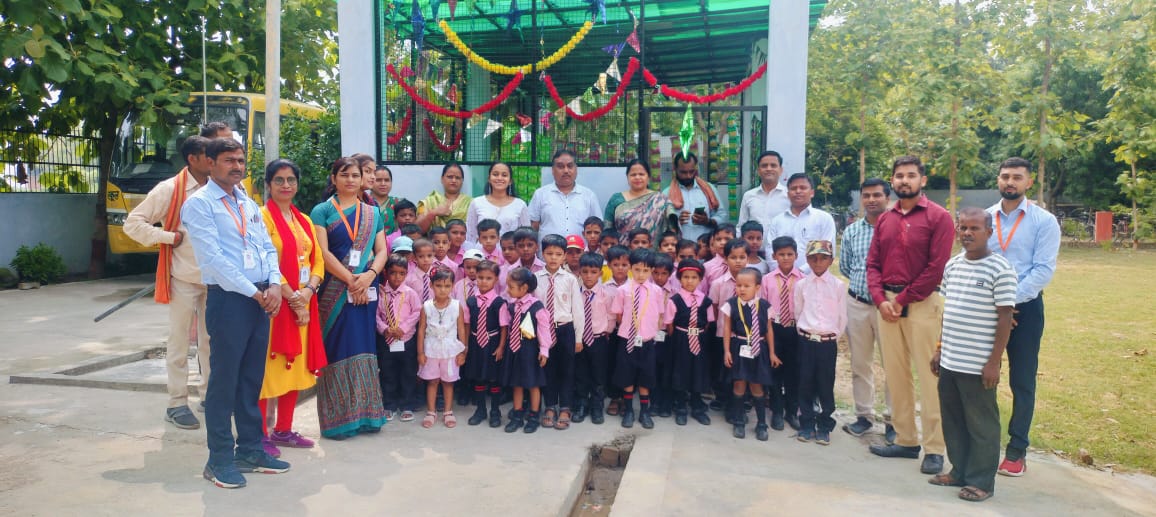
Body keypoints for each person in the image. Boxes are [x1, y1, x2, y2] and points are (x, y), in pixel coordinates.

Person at [182, 137, 289, 489]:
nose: (237, 166)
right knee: (224, 382)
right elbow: (214, 260)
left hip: (260, 297)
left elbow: (267, 247)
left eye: (241, 160)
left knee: (251, 378)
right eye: (229, 160)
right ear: (210, 163)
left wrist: (275, 285)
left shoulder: (247, 202)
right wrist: (255, 293)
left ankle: (251, 450)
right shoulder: (199, 205)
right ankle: (219, 460)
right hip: (230, 300)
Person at [866, 156, 955, 476]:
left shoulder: (939, 217)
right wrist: (880, 300)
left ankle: (934, 448)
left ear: (923, 180)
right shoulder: (885, 219)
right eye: (899, 175)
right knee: (896, 373)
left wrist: (902, 300)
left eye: (911, 175)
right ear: (892, 180)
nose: (905, 180)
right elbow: (872, 263)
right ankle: (905, 440)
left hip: (922, 304)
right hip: (887, 305)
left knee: (930, 377)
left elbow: (936, 268)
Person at [123, 135, 213, 430]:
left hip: (216, 280)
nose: (214, 160)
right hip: (182, 277)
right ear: (192, 159)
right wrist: (168, 237)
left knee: (212, 342)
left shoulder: (220, 186)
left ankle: (210, 398)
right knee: (178, 342)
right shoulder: (171, 188)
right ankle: (176, 403)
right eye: (208, 155)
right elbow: (133, 223)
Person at [929, 207, 1017, 502]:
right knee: (953, 421)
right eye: (963, 227)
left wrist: (994, 363)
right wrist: (939, 349)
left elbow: (1005, 318)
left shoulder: (1000, 269)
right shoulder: (953, 265)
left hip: (978, 365)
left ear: (989, 233)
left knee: (982, 425)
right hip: (951, 361)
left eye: (974, 228)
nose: (967, 233)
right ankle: (959, 471)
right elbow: (949, 311)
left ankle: (981, 482)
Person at [986, 157, 1061, 477]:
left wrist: (1009, 304)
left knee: (1022, 380)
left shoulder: (1044, 221)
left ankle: (1017, 451)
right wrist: (995, 304)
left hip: (1025, 310)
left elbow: (1043, 270)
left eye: (1017, 177)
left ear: (1029, 182)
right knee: (982, 376)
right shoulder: (986, 218)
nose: (1010, 182)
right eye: (1005, 176)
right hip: (987, 309)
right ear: (998, 180)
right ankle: (984, 443)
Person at [310, 157, 389, 440]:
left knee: (364, 347)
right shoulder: (322, 211)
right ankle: (338, 421)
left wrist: (368, 276)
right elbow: (322, 252)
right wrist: (351, 279)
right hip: (335, 291)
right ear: (334, 179)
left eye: (355, 175)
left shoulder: (372, 212)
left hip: (366, 290)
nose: (351, 180)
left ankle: (368, 416)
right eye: (344, 175)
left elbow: (382, 251)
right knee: (337, 348)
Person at [257, 160, 327, 457]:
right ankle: (259, 434)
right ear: (268, 184)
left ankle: (284, 429)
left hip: (304, 305)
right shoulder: (262, 217)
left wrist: (308, 291)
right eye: (279, 180)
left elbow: (317, 261)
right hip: (275, 305)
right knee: (268, 370)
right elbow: (266, 261)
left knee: (296, 367)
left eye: (291, 180)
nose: (286, 185)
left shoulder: (304, 220)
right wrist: (293, 297)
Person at [840, 178, 895, 440]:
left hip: (889, 306)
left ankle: (894, 420)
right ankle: (864, 416)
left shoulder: (897, 227)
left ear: (887, 198)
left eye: (877, 195)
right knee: (860, 363)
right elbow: (846, 267)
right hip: (858, 304)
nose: (871, 200)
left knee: (893, 364)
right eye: (866, 196)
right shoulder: (852, 231)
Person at [793, 240, 847, 446]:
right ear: (807, 260)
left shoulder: (838, 286)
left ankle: (824, 425)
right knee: (804, 382)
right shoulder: (801, 285)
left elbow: (842, 317)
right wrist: (805, 333)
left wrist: (831, 337)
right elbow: (798, 311)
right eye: (813, 258)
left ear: (831, 260)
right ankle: (806, 424)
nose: (818, 262)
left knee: (825, 383)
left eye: (823, 258)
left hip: (827, 342)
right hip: (806, 340)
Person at [609, 248, 667, 429]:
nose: (641, 274)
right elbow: (618, 315)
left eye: (646, 270)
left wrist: (650, 331)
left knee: (646, 377)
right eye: (637, 269)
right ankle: (628, 411)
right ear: (630, 268)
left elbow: (660, 314)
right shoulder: (623, 290)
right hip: (627, 340)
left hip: (647, 341)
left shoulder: (657, 291)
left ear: (651, 270)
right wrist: (631, 329)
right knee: (627, 376)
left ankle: (644, 412)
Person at [721, 267, 779, 441]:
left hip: (758, 348)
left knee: (756, 386)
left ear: (757, 287)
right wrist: (726, 351)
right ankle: (738, 421)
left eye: (747, 286)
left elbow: (769, 330)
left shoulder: (765, 306)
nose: (742, 289)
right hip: (739, 347)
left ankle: (761, 424)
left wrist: (772, 353)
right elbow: (726, 328)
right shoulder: (731, 304)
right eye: (739, 285)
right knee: (739, 384)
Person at [535, 234, 585, 430]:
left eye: (558, 254)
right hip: (543, 330)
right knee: (547, 368)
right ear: (543, 254)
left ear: (564, 255)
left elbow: (577, 310)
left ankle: (565, 407)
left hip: (565, 329)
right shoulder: (536, 278)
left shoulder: (570, 279)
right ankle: (550, 406)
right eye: (549, 253)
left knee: (567, 370)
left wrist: (578, 338)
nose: (553, 258)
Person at [759, 236, 804, 432]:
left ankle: (792, 411)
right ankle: (776, 410)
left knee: (794, 372)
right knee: (775, 370)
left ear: (796, 255)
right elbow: (762, 307)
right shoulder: (767, 280)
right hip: (774, 329)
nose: (786, 258)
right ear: (774, 256)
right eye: (781, 254)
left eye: (789, 254)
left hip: (795, 329)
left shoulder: (803, 279)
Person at [663, 259, 714, 426]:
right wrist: (679, 337)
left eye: (694, 277)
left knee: (698, 371)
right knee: (681, 371)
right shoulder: (675, 300)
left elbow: (707, 323)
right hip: (680, 339)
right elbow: (669, 324)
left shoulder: (706, 301)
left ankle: (697, 405)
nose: (689, 281)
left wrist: (697, 334)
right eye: (685, 277)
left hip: (699, 340)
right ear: (679, 278)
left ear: (700, 280)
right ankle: (680, 407)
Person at [502, 268, 553, 434]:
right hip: (514, 350)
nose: (508, 290)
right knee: (516, 383)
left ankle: (533, 416)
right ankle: (517, 415)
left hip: (530, 351)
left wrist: (544, 350)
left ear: (524, 288)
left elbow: (544, 330)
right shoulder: (512, 305)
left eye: (511, 287)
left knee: (533, 384)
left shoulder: (536, 307)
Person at [417, 268, 467, 429]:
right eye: (438, 285)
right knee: (432, 381)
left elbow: (461, 330)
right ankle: (431, 411)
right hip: (431, 350)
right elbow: (421, 330)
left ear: (452, 286)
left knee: (448, 382)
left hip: (450, 350)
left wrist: (463, 352)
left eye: (447, 286)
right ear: (431, 286)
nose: (443, 290)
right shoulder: (426, 306)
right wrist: (420, 352)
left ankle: (448, 411)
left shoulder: (456, 306)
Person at [376, 255, 422, 423]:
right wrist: (384, 328)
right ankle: (389, 404)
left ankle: (407, 405)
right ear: (386, 273)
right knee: (387, 373)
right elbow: (376, 315)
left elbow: (417, 312)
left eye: (401, 273)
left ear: (406, 274)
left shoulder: (410, 293)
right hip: (387, 341)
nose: (397, 277)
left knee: (408, 373)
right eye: (393, 273)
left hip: (406, 340)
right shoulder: (381, 293)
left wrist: (403, 328)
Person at [463, 260, 508, 427]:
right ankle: (480, 410)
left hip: (493, 343)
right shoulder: (471, 301)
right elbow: (467, 324)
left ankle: (495, 411)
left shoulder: (499, 303)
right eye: (480, 277)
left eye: (488, 278)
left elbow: (504, 327)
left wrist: (501, 347)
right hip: (476, 343)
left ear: (496, 279)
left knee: (494, 379)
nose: (483, 281)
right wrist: (466, 345)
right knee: (478, 377)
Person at [767, 173, 837, 274]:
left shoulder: (824, 219)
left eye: (803, 188)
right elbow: (770, 250)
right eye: (793, 188)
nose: (798, 191)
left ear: (812, 193)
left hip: (814, 277)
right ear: (788, 194)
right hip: (781, 279)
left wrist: (799, 273)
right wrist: (782, 274)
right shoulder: (777, 221)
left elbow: (826, 251)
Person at [574, 252, 613, 425]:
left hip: (598, 339)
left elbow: (611, 316)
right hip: (579, 340)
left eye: (593, 272)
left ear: (600, 273)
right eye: (585, 272)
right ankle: (582, 404)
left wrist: (607, 332)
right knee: (581, 373)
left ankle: (597, 405)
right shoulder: (576, 293)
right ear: (580, 272)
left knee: (599, 374)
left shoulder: (605, 294)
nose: (589, 276)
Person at [604, 159, 679, 248]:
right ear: (627, 177)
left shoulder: (661, 199)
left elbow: (672, 228)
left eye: (641, 174)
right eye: (633, 175)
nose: (637, 177)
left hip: (653, 254)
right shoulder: (616, 199)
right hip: (623, 254)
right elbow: (607, 230)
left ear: (648, 177)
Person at [529, 150, 602, 238]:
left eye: (570, 166)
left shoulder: (589, 196)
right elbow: (533, 226)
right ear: (553, 170)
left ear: (576, 169)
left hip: (580, 247)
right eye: (560, 167)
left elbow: (598, 226)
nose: (566, 170)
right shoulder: (540, 194)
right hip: (548, 247)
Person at [663, 152, 724, 242]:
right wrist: (676, 223)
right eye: (683, 172)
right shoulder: (666, 194)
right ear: (675, 169)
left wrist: (707, 221)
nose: (688, 176)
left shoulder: (709, 189)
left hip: (705, 246)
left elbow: (722, 216)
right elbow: (661, 225)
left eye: (691, 171)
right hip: (679, 246)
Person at [465, 162, 530, 242]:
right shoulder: (476, 203)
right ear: (489, 179)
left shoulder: (520, 205)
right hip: (481, 249)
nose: (499, 178)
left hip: (510, 250)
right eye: (495, 174)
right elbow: (470, 234)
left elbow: (526, 236)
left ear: (510, 181)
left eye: (504, 175)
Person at [738, 150, 789, 233]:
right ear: (758, 171)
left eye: (773, 165)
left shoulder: (789, 195)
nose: (768, 169)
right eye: (764, 166)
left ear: (781, 170)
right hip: (754, 241)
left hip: (781, 241)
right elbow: (741, 227)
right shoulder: (749, 195)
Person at [417, 163, 471, 232]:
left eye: (457, 178)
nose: (454, 180)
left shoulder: (471, 203)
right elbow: (417, 230)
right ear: (442, 179)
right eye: (450, 177)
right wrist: (433, 213)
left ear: (462, 181)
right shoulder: (429, 202)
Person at [369, 165, 402, 235]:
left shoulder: (399, 204)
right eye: (378, 180)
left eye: (387, 180)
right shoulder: (362, 202)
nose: (383, 184)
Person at [405, 239, 437, 303]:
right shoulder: (409, 279)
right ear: (414, 257)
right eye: (421, 256)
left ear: (434, 255)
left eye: (429, 256)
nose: (426, 259)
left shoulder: (438, 275)